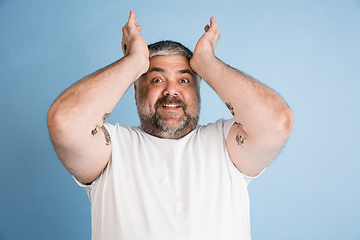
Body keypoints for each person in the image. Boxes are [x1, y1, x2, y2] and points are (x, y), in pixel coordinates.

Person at [47, 10, 293, 240]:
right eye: (156, 79)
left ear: (198, 91)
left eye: (184, 80)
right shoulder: (110, 150)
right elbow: (65, 122)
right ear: (135, 91)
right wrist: (134, 62)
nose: (171, 90)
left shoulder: (226, 145)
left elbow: (276, 122)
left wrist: (207, 63)